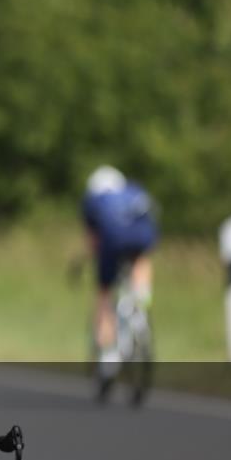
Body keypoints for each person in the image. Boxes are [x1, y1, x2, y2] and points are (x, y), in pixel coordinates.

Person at [81, 165, 158, 390]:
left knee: (104, 294)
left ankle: (108, 354)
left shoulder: (94, 199)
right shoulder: (134, 190)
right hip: (143, 234)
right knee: (141, 258)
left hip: (112, 240)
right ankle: (141, 301)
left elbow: (93, 241)